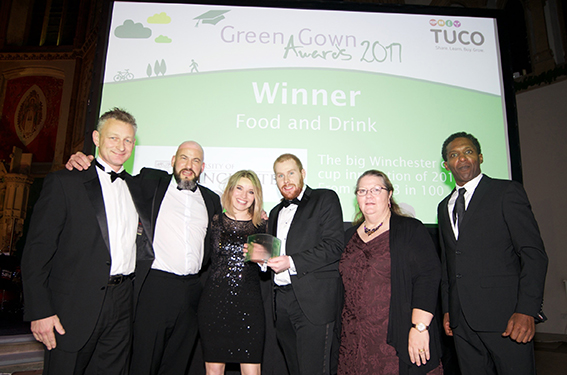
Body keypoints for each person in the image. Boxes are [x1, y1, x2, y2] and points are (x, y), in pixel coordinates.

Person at [65, 140, 222, 375]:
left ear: (203, 167)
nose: (189, 165)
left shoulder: (211, 199)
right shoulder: (151, 182)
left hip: (192, 291)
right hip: (155, 287)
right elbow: (112, 175)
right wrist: (86, 161)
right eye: (184, 158)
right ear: (173, 161)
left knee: (178, 361)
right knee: (144, 360)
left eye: (196, 160)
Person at [22, 108, 150, 375]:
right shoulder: (65, 182)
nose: (121, 146)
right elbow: (37, 251)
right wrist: (39, 310)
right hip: (72, 308)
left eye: (128, 140)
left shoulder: (138, 188)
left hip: (123, 303)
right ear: (96, 137)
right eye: (113, 138)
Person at [438, 132, 548, 375]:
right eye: (454, 155)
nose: (462, 159)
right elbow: (449, 263)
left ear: (480, 156)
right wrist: (448, 309)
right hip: (461, 322)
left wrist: (527, 310)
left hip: (507, 319)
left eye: (468, 152)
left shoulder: (506, 192)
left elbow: (533, 254)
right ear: (446, 165)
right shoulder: (443, 206)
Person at [339, 170, 442, 375]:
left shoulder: (409, 229)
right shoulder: (347, 237)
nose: (369, 195)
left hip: (396, 337)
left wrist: (420, 327)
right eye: (362, 191)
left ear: (389, 194)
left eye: (376, 189)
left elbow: (428, 276)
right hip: (353, 342)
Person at [265, 153, 344, 375]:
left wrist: (291, 262)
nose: (286, 180)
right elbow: (273, 255)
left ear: (302, 173)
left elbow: (335, 246)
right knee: (294, 369)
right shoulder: (275, 212)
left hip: (313, 302)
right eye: (280, 175)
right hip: (280, 303)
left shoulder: (324, 198)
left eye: (291, 173)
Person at [198, 170, 267, 375]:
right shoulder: (214, 222)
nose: (244, 196)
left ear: (257, 197)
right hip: (214, 303)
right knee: (214, 370)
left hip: (249, 305)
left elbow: (268, 265)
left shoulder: (263, 225)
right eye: (239, 188)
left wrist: (262, 259)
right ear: (230, 189)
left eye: (251, 192)